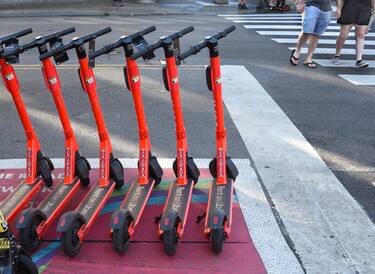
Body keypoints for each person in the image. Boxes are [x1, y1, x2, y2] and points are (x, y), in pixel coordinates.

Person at [332, 0, 374, 68]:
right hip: (349, 7)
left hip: (365, 9)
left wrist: (374, 9)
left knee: (361, 35)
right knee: (343, 35)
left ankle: (359, 60)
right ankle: (337, 55)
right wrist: (338, 8)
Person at [289, 0, 332, 68]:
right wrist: (300, 3)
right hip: (311, 4)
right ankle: (297, 50)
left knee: (316, 34)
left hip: (326, 8)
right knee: (306, 31)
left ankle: (308, 59)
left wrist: (338, 8)